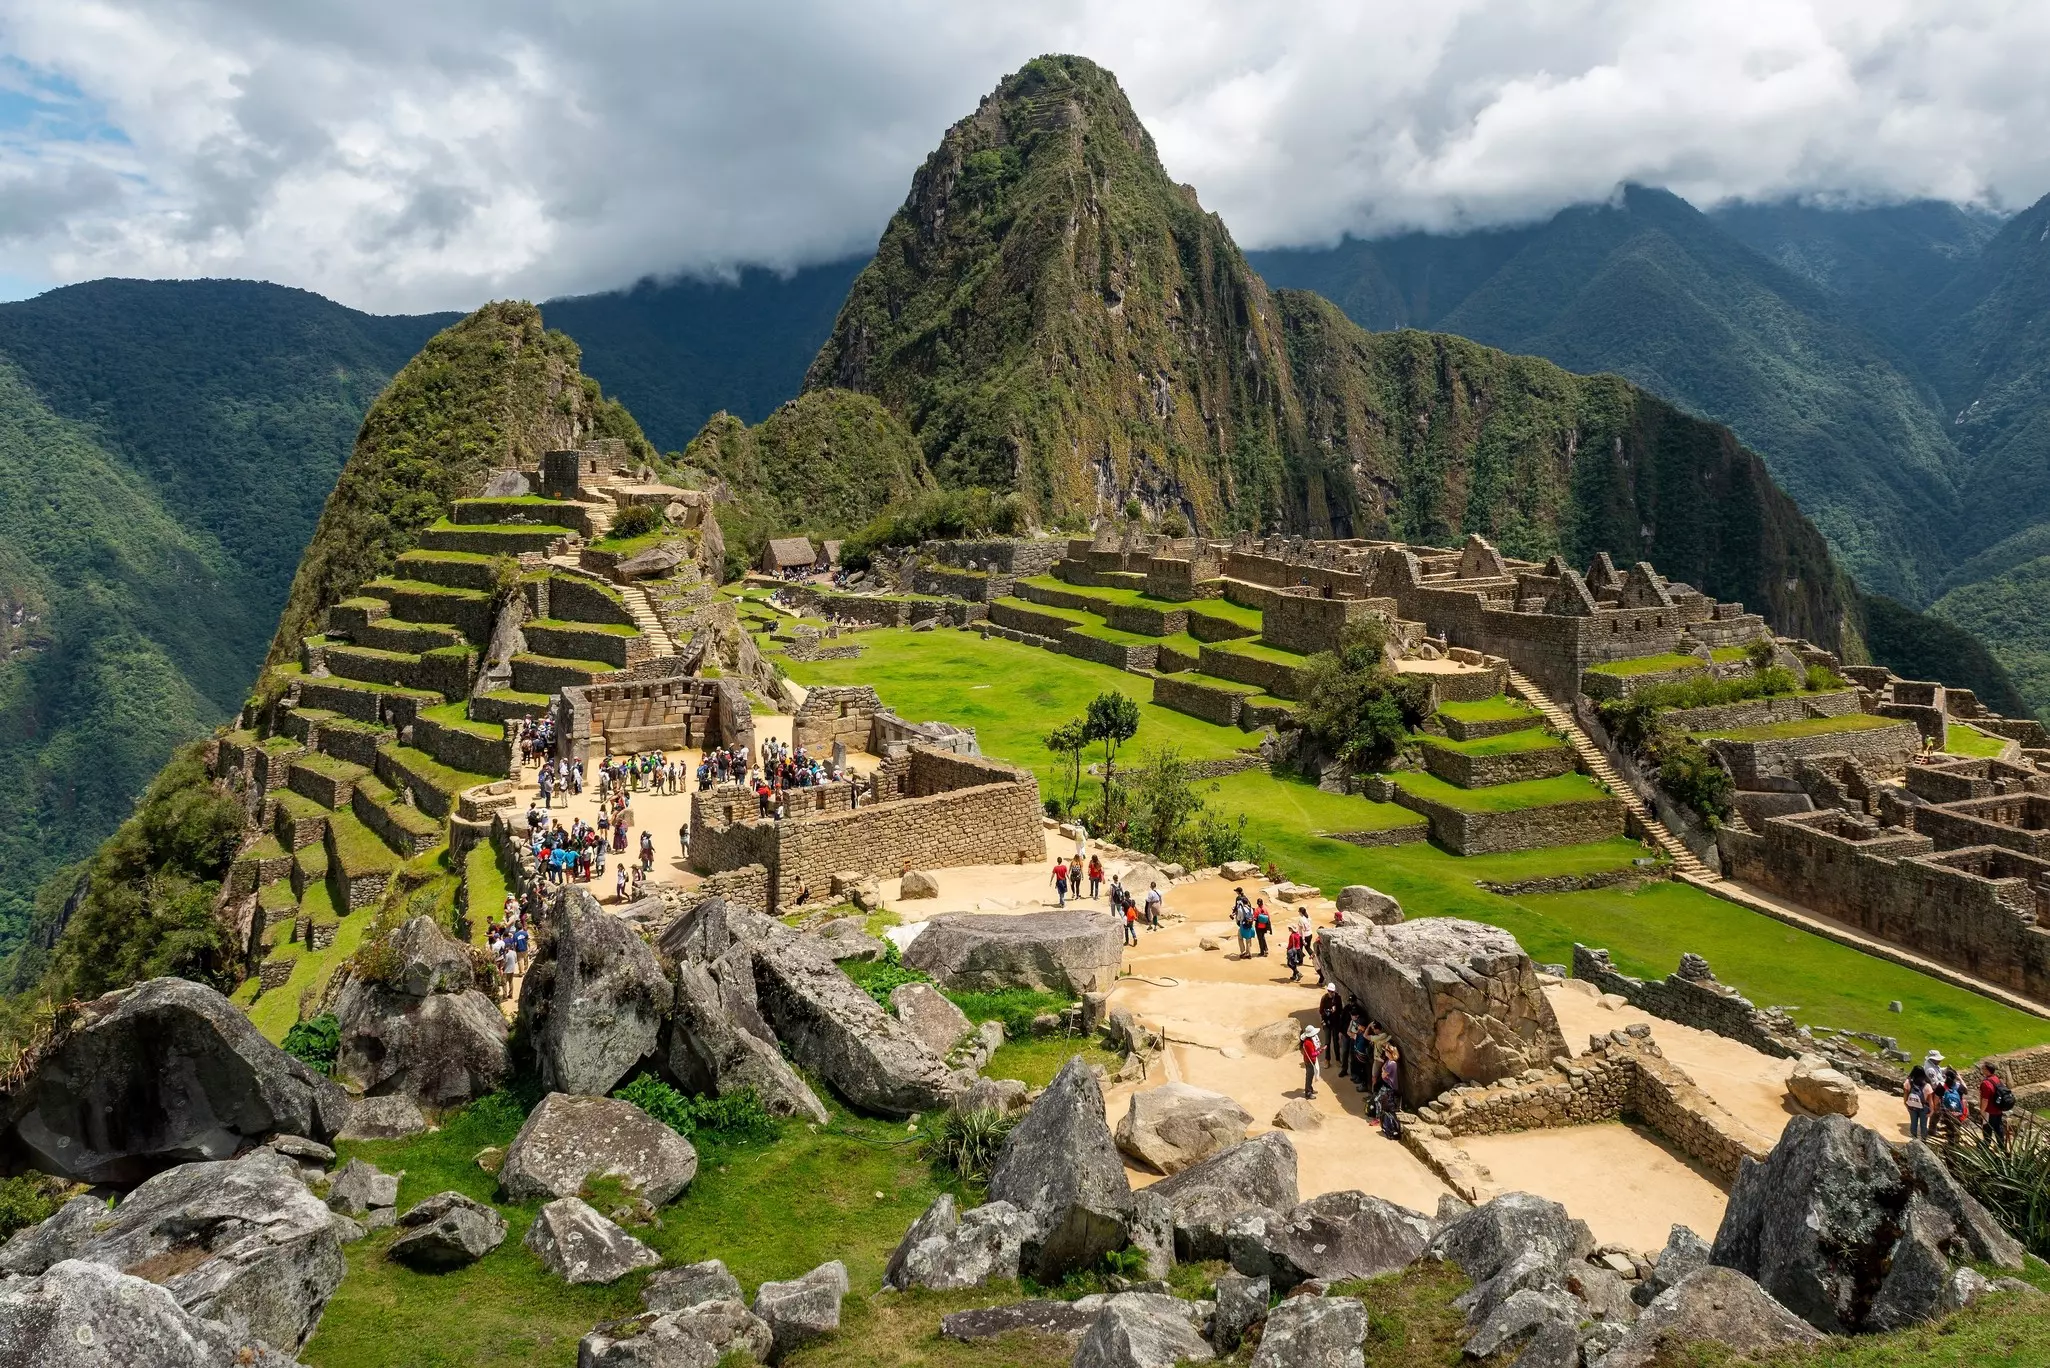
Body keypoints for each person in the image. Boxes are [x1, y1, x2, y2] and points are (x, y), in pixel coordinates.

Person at [1980, 1061, 2013, 1149]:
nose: (1982, 1070)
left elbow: (1985, 1100)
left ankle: (1986, 1147)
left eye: (1983, 1068)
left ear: (1987, 1070)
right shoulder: (1996, 1079)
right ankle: (2002, 1147)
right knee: (1999, 1128)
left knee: (1987, 1129)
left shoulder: (1985, 1083)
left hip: (1989, 1111)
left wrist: (1982, 1111)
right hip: (1998, 1109)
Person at [1378, 1045, 1402, 1138]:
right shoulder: (1389, 1061)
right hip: (1387, 1085)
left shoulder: (1392, 1063)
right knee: (1383, 1103)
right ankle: (1384, 1121)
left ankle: (1387, 1123)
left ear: (1391, 1053)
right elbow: (1383, 1070)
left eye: (1387, 1051)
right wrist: (1383, 1070)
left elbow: (1383, 1074)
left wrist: (1383, 1071)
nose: (1385, 1052)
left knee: (1385, 1104)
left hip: (1390, 1086)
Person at [1903, 1065, 1930, 1141]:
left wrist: (1905, 1103)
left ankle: (1913, 1140)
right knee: (1923, 1125)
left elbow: (1905, 1093)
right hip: (1923, 1107)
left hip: (1912, 1106)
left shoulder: (1908, 1082)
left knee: (1913, 1123)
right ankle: (1924, 1140)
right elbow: (1929, 1097)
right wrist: (1931, 1109)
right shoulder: (1926, 1084)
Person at [1299, 1025, 1321, 1099]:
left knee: (1310, 1076)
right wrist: (1320, 1051)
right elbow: (1312, 1054)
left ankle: (1310, 1089)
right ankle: (1308, 1093)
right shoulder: (1308, 1043)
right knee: (1309, 1077)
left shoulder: (1308, 1041)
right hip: (1310, 1061)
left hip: (1308, 1060)